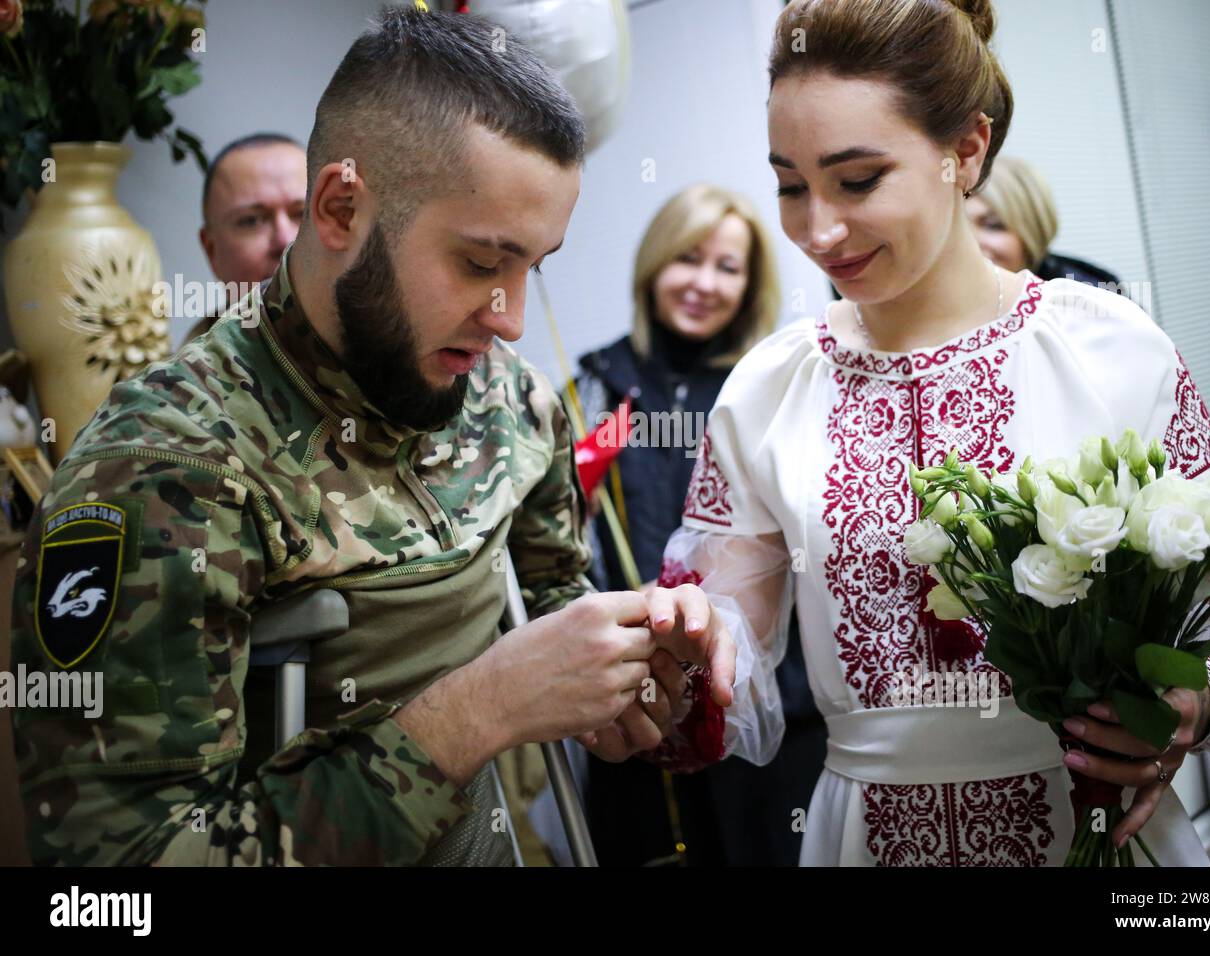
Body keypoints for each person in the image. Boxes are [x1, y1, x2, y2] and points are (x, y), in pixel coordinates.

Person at [10, 8, 735, 867]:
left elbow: (551, 598)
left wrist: (626, 682)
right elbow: (114, 884)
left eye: (531, 268)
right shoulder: (161, 470)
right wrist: (477, 711)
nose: (509, 321)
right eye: (478, 262)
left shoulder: (511, 401)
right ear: (341, 207)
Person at [638, 0, 1210, 866]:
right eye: (791, 186)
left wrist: (1190, 706)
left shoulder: (1106, 346)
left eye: (859, 178)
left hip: (1091, 826)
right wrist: (680, 664)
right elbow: (734, 673)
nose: (817, 230)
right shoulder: (768, 388)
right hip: (864, 838)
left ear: (966, 150)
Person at [570, 183, 826, 865]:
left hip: (775, 705)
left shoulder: (773, 386)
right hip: (632, 697)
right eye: (688, 258)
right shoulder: (594, 389)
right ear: (655, 264)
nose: (704, 283)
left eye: (728, 267)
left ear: (750, 285)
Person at [183, 133, 308, 344]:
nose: (286, 241)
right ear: (212, 250)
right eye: (251, 221)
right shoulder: (183, 375)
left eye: (304, 214)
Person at [965, 155, 1123, 288]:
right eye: (959, 226)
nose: (970, 241)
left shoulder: (1090, 304)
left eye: (993, 225)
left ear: (1035, 230)